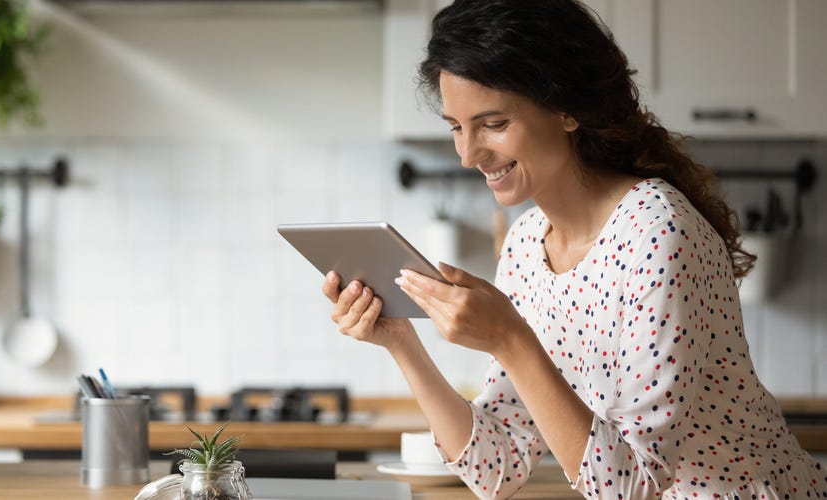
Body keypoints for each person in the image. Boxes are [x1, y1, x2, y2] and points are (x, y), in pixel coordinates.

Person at [322, 0, 827, 498]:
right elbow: (495, 468)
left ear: (567, 109)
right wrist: (401, 343)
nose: (467, 154)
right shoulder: (525, 243)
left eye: (493, 124)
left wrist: (510, 339)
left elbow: (633, 487)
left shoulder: (657, 234)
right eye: (457, 127)